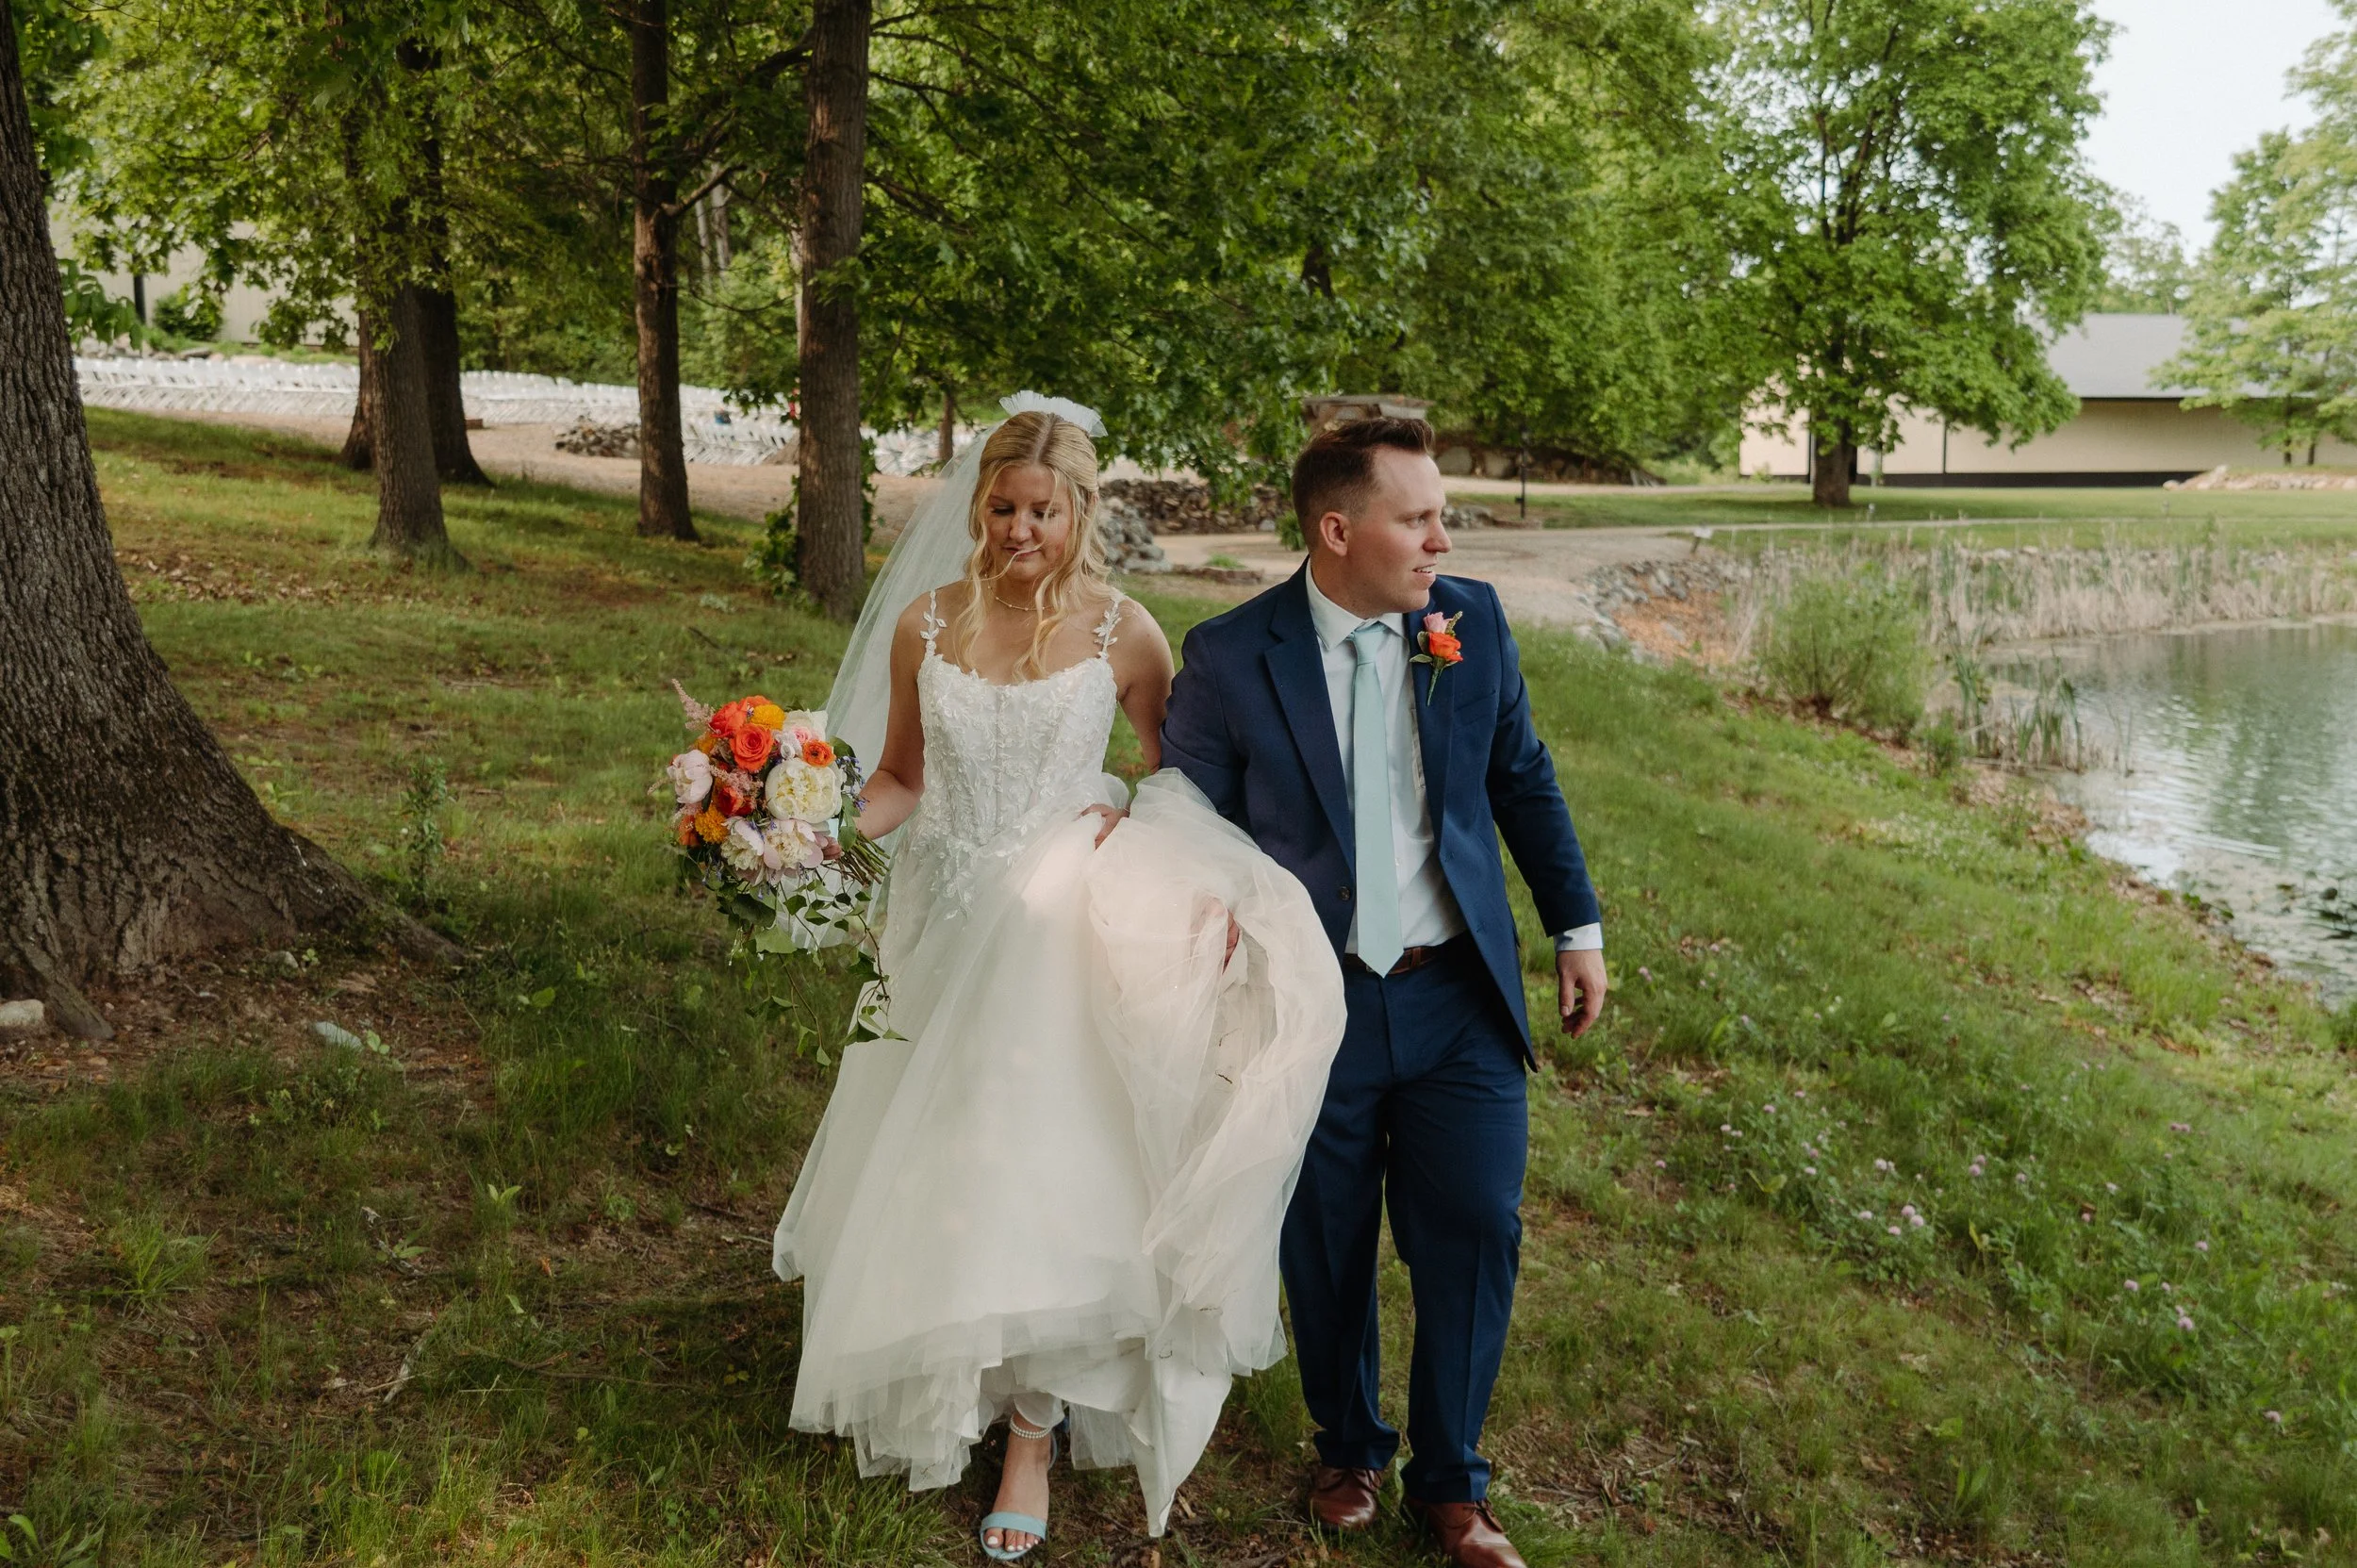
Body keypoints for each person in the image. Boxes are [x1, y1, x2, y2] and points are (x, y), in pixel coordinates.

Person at [772, 397, 1345, 1561]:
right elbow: (897, 777)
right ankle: (944, 1362)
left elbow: (1172, 781)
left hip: (1059, 918)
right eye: (1002, 506)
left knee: (1049, 1155)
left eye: (1042, 509)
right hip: (942, 911)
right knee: (938, 1144)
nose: (1019, 528)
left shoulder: (1125, 633)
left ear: (1080, 509)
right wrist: (814, 826)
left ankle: (1033, 1426)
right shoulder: (927, 624)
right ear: (977, 504)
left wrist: (1156, 865)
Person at [1160, 416, 1608, 1568]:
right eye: (1417, 519)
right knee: (1324, 1231)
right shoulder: (1227, 654)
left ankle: (1454, 1484)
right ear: (1336, 529)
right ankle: (1349, 1442)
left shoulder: (1469, 622)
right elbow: (1188, 815)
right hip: (1314, 998)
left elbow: (1521, 776)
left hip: (1456, 989)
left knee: (1473, 1224)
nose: (1438, 540)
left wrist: (1576, 924)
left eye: (1438, 516)